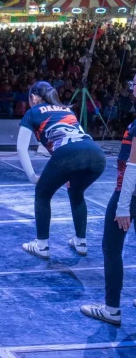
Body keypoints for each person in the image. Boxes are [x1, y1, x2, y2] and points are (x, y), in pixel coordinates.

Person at [17, 81, 106, 259]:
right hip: (97, 154)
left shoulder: (33, 112)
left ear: (33, 98)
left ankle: (41, 245)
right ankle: (81, 242)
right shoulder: (67, 110)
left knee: (42, 193)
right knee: (76, 191)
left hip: (70, 154)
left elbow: (21, 147)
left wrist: (33, 177)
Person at [81, 75, 136, 325]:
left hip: (129, 195)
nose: (131, 87)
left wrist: (122, 206)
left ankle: (111, 309)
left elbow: (133, 167)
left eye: (134, 83)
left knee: (111, 249)